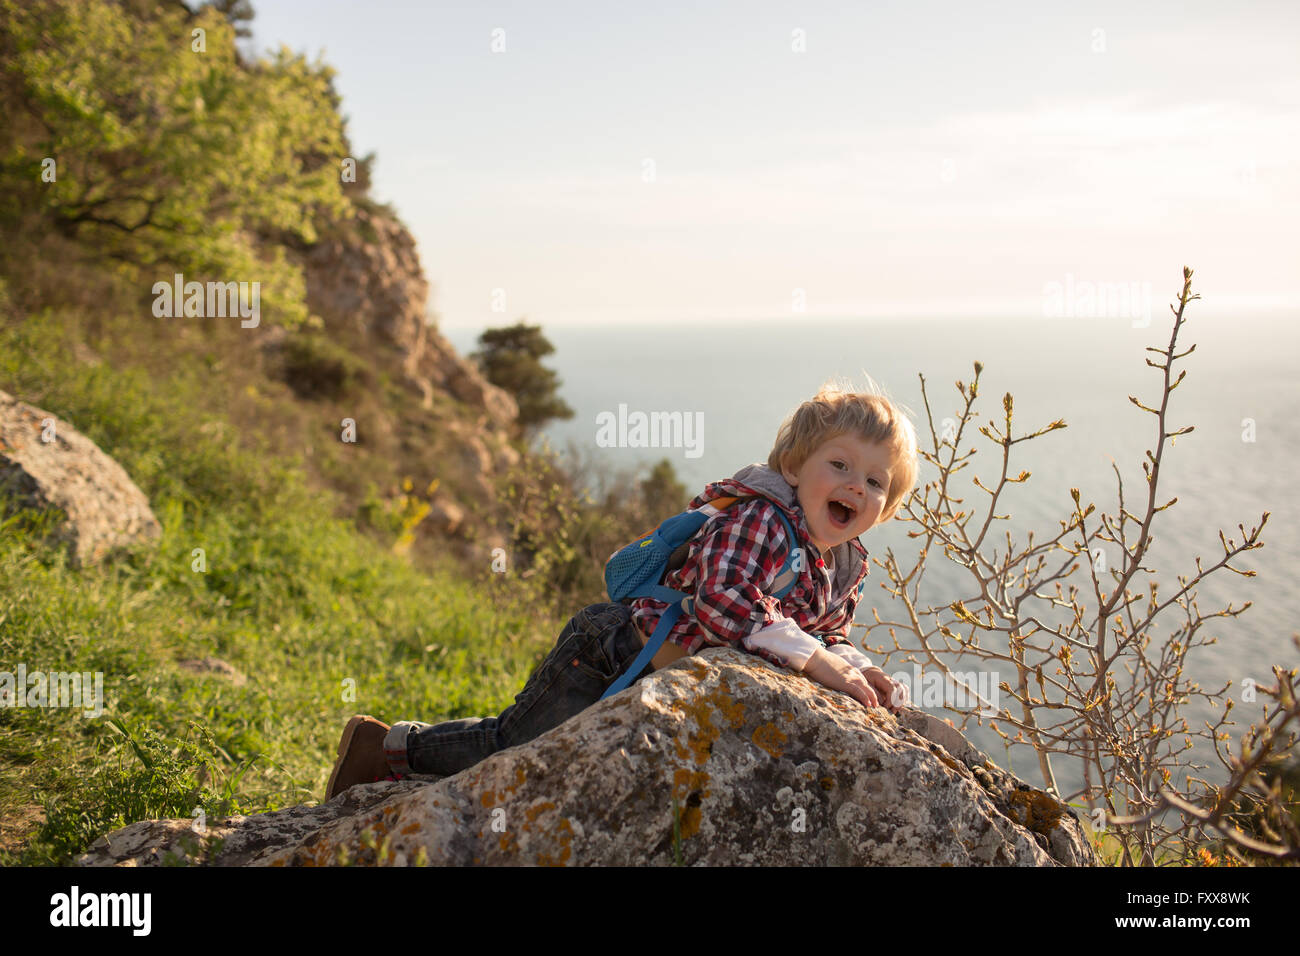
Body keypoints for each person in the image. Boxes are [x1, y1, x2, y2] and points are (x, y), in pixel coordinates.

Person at [325, 379, 920, 800]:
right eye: (839, 466)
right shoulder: (762, 520)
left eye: (874, 481)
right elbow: (723, 602)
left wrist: (854, 666)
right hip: (615, 647)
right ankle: (387, 748)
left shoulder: (843, 562)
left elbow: (825, 631)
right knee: (510, 744)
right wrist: (814, 660)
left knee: (549, 763)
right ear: (794, 468)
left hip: (658, 672)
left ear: (884, 506)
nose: (855, 486)